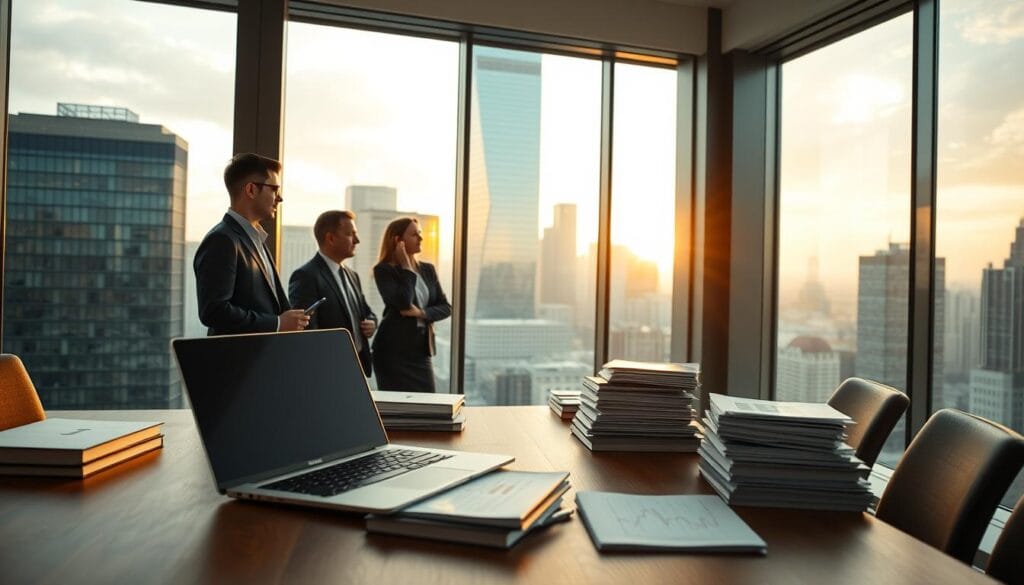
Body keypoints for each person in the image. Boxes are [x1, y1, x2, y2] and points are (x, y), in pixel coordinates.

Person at [194, 153, 309, 335]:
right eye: (274, 189)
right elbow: (214, 311)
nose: (280, 198)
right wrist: (277, 323)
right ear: (251, 190)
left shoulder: (256, 240)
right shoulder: (222, 240)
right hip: (239, 360)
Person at [289, 210, 378, 375]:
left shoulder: (353, 276)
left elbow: (367, 312)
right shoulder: (306, 276)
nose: (357, 240)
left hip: (359, 368)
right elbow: (306, 332)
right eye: (350, 234)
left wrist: (372, 322)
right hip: (329, 370)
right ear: (330, 238)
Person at [372, 217, 451, 392]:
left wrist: (421, 313)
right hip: (392, 353)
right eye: (414, 235)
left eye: (420, 234)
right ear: (398, 240)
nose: (421, 238)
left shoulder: (428, 269)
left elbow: (446, 307)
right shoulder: (384, 270)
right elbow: (403, 302)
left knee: (427, 404)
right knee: (398, 411)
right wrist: (407, 268)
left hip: (421, 350)